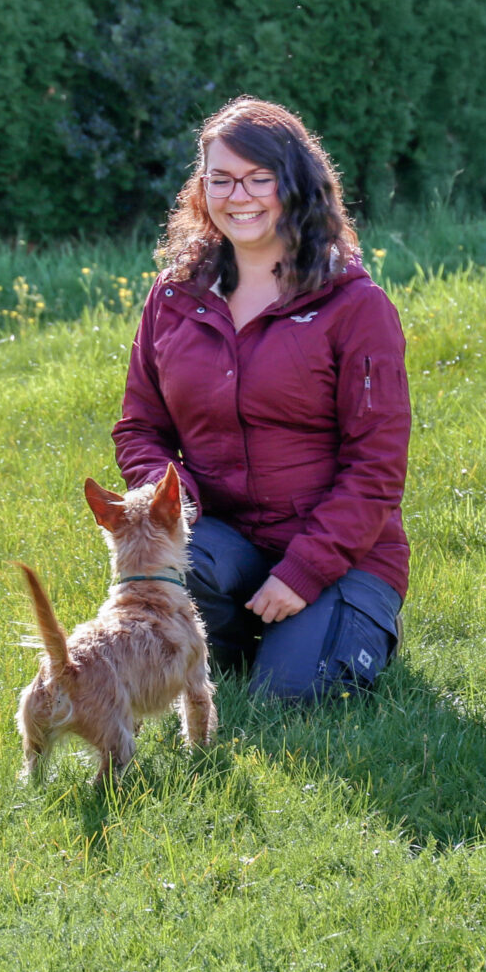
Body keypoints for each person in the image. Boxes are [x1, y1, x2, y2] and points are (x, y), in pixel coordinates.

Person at [112, 96, 411, 702]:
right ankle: (254, 628)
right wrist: (175, 500)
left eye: (258, 179)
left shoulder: (355, 306)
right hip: (223, 543)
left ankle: (335, 620)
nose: (238, 196)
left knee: (289, 698)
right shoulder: (173, 297)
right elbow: (139, 428)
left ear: (295, 184)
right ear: (202, 189)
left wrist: (303, 572)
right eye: (220, 179)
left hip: (342, 555)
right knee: (181, 579)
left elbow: (375, 470)